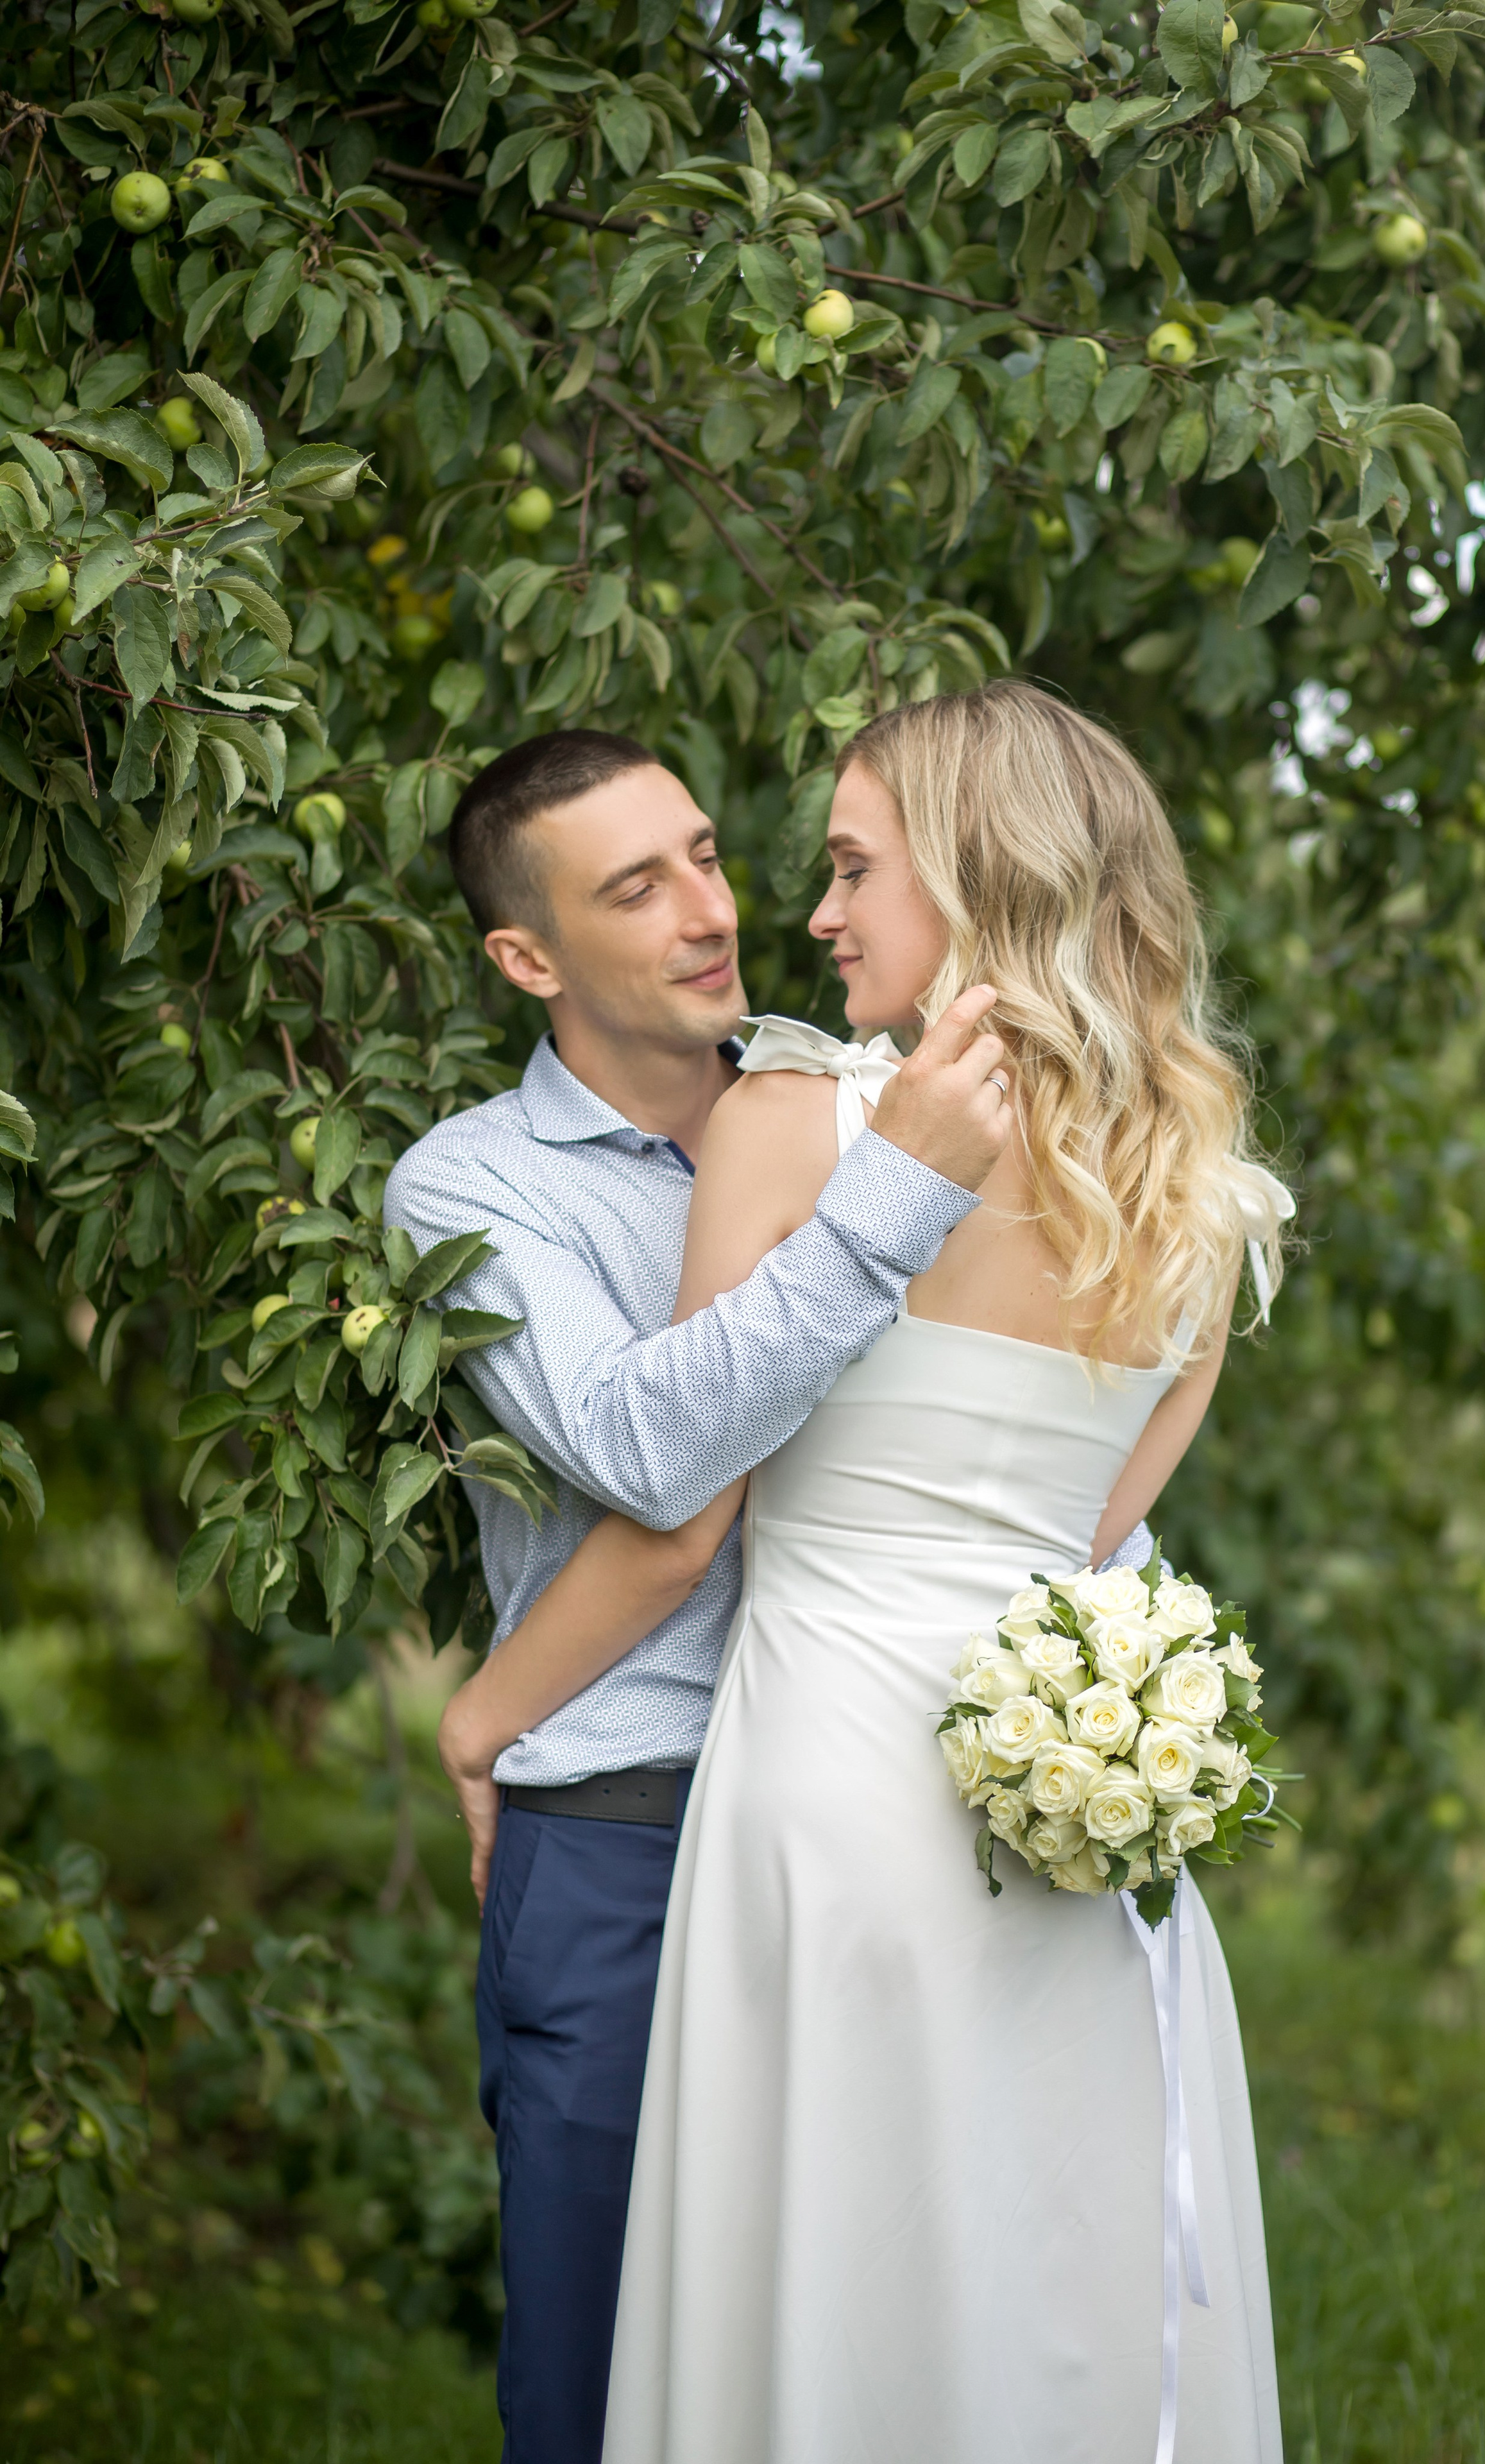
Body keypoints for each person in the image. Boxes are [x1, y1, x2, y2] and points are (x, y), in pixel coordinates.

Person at [383, 726, 1155, 2464]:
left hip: (893, 1831)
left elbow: (1030, 1470)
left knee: (882, 2363)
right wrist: (889, 1202)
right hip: (636, 1845)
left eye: (711, 858)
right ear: (526, 957)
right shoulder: (472, 1190)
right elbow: (650, 1466)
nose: (708, 913)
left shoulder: (873, 1093)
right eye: (633, 888)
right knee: (605, 2384)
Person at [576, 680, 1289, 2462]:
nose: (813, 918)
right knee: (1053, 2255)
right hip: (1071, 1811)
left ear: (980, 881)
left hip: (830, 1797)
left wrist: (489, 1720)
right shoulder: (1201, 1194)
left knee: (840, 2260)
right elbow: (1100, 1539)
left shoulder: (796, 1124)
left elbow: (690, 1503)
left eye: (850, 868)